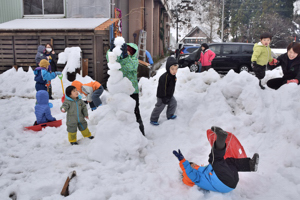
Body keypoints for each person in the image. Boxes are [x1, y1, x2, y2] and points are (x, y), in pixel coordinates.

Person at [173, 126, 259, 193]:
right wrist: (183, 161)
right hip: (223, 182)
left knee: (228, 161)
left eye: (193, 164)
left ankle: (249, 165)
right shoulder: (193, 178)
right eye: (192, 165)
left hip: (230, 181)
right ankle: (221, 137)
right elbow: (188, 173)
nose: (195, 165)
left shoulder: (203, 172)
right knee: (214, 160)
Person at [107, 38, 145, 136]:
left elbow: (130, 67)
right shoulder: (119, 60)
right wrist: (111, 52)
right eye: (125, 51)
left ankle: (140, 134)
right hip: (120, 90)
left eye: (129, 52)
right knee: (122, 112)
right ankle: (124, 135)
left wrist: (125, 57)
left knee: (135, 112)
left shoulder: (134, 60)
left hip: (132, 91)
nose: (127, 53)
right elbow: (111, 61)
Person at [150, 57, 178, 126]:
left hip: (169, 95)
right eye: (172, 69)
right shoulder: (164, 77)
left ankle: (170, 115)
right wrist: (164, 97)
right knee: (160, 107)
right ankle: (153, 119)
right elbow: (162, 88)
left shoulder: (173, 76)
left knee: (173, 103)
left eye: (176, 69)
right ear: (168, 68)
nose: (174, 71)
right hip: (162, 96)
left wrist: (170, 95)